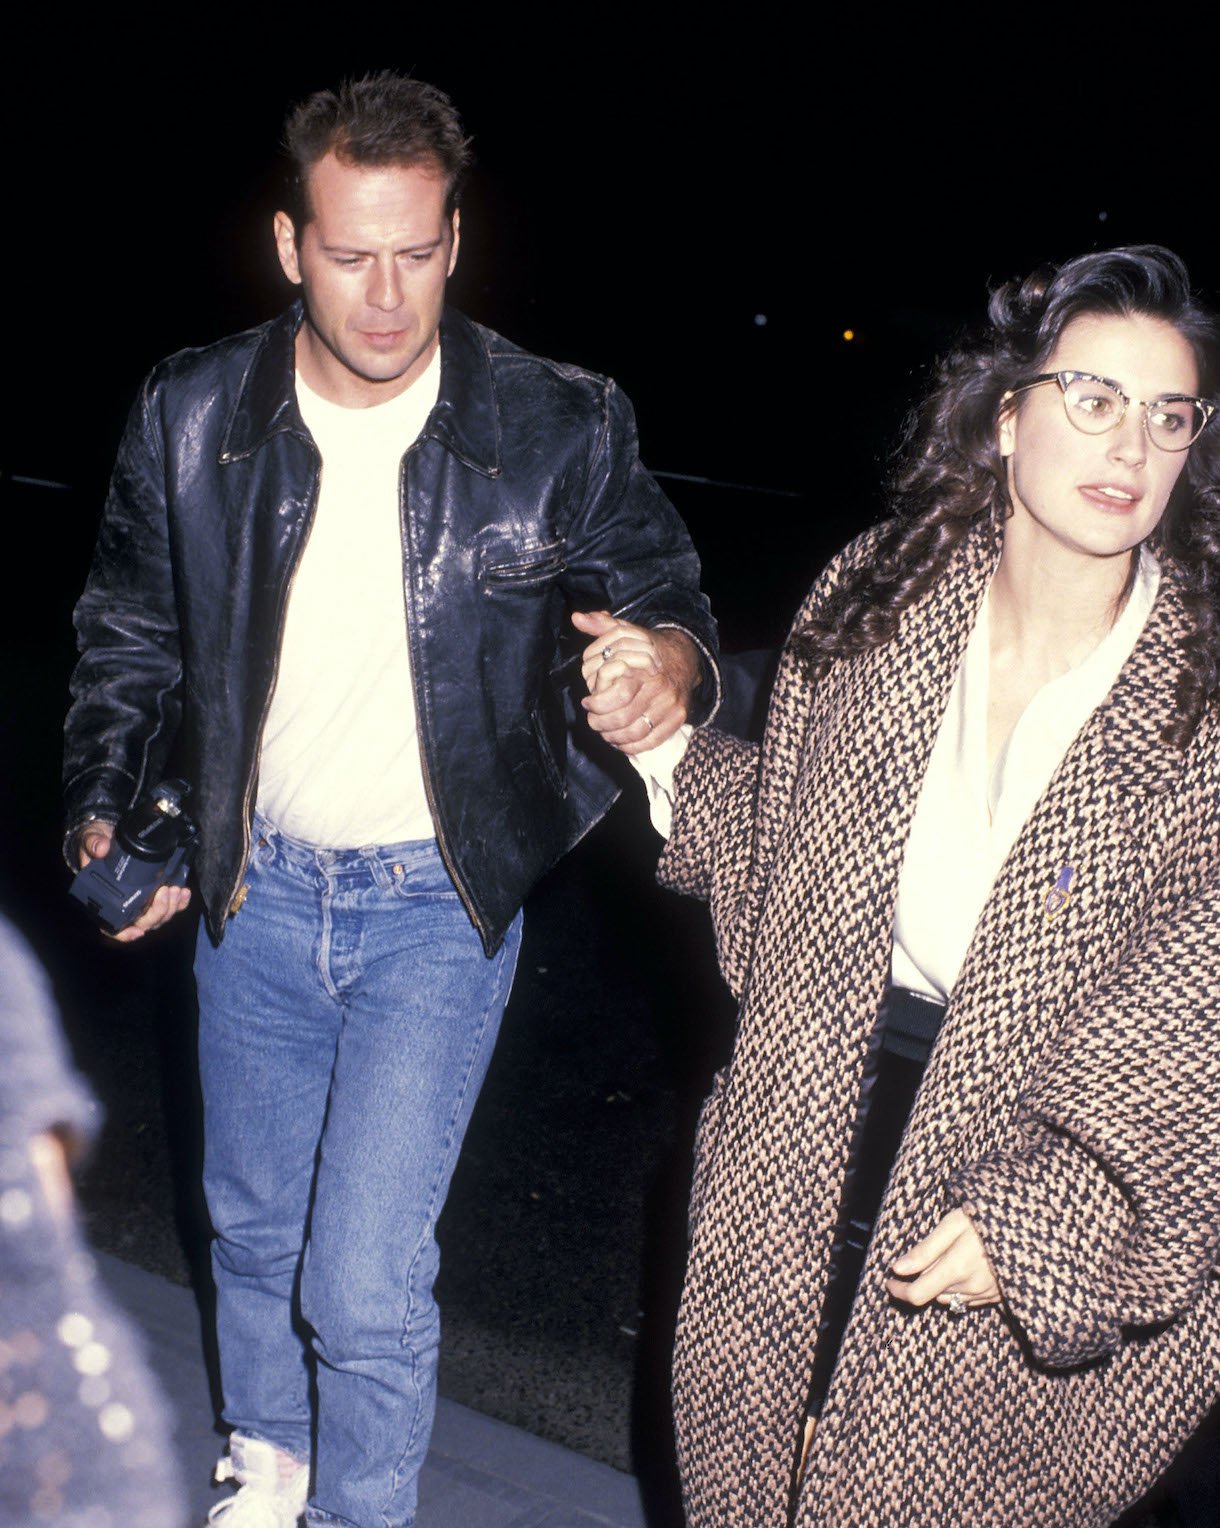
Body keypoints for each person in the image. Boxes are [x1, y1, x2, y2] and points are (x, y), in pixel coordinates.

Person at [62, 72, 718, 1528]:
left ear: (456, 242)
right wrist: (113, 807)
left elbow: (670, 593)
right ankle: (267, 1457)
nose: (383, 294)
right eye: (350, 253)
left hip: (439, 898)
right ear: (290, 244)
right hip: (254, 883)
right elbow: (131, 632)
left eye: (415, 253)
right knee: (248, 1224)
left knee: (362, 1278)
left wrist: (666, 661)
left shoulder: (556, 422)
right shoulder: (191, 412)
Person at [583, 245, 1220, 1526]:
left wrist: (1056, 1219)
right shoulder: (877, 601)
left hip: (1039, 1151)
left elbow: (1195, 1008)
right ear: (1006, 416)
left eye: (1167, 416)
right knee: (760, 1465)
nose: (1129, 447)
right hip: (815, 1119)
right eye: (1092, 398)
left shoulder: (1196, 703)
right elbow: (780, 871)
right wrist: (662, 742)